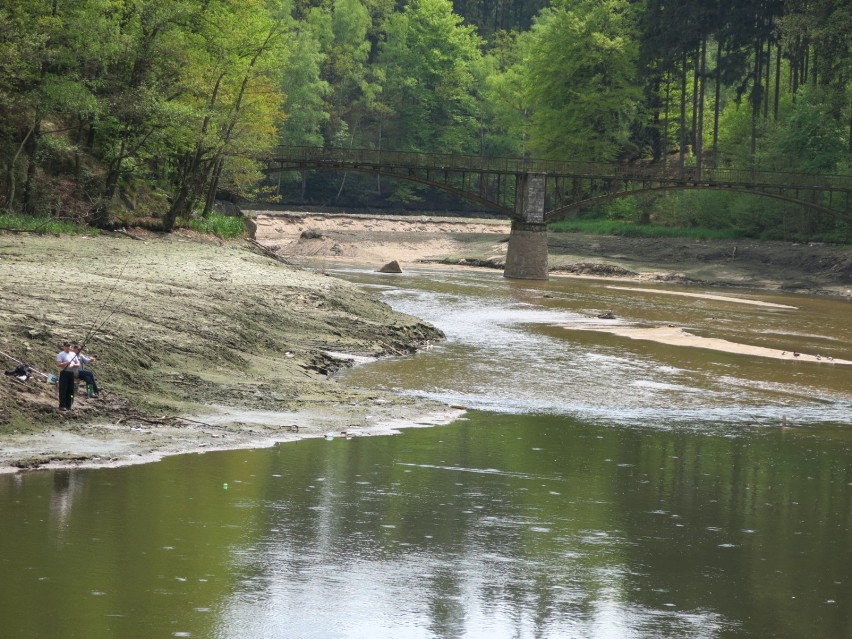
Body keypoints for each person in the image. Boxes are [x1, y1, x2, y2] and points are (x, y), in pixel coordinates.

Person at [55, 342, 79, 410]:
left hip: (71, 373)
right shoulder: (61, 354)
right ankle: (62, 405)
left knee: (71, 390)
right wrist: (66, 363)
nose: (68, 347)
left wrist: (73, 365)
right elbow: (58, 364)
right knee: (63, 389)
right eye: (66, 346)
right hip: (64, 373)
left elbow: (78, 364)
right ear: (64, 347)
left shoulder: (73, 354)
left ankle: (69, 405)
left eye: (69, 346)